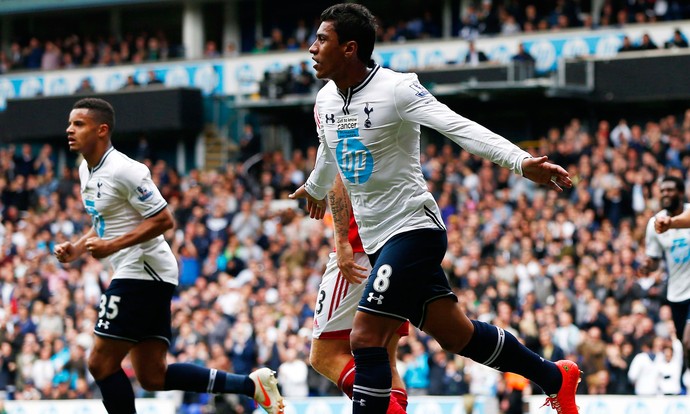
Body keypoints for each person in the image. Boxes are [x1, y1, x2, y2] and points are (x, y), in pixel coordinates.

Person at [288, 4, 580, 413]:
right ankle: (554, 376)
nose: (312, 48)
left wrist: (519, 161)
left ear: (350, 48)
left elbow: (457, 126)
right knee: (456, 335)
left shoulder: (397, 89)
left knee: (365, 337)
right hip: (376, 241)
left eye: (322, 39)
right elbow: (329, 153)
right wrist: (314, 187)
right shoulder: (324, 101)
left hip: (413, 229)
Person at [54, 98, 284, 414]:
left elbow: (164, 220)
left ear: (102, 130)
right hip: (142, 270)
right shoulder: (85, 170)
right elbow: (103, 224)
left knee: (100, 362)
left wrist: (114, 245)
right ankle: (250, 385)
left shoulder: (126, 170)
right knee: (152, 375)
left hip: (143, 269)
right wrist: (77, 248)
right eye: (70, 123)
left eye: (78, 124)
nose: (69, 130)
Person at [309, 176, 409, 413]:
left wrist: (342, 239)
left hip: (359, 247)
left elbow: (336, 172)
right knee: (386, 360)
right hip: (402, 247)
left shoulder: (343, 136)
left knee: (324, 356)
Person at [644, 175, 690, 377]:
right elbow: (653, 258)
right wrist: (648, 265)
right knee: (684, 345)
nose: (665, 194)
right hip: (676, 293)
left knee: (689, 340)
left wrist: (671, 223)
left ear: (681, 193)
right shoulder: (654, 224)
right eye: (662, 191)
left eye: (670, 190)